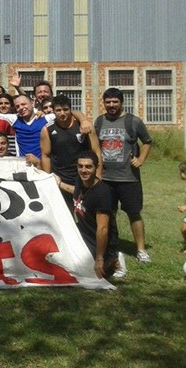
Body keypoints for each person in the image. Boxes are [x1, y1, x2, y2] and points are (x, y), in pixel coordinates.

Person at [95, 87, 153, 263]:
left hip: (129, 178)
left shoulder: (133, 121)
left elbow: (148, 141)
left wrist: (141, 159)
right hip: (105, 179)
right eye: (108, 102)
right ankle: (112, 247)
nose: (111, 105)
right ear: (103, 103)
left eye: (115, 102)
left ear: (121, 102)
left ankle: (141, 250)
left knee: (134, 213)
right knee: (108, 214)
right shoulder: (99, 121)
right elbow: (95, 145)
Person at [56, 151, 126, 279]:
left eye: (88, 166)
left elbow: (103, 228)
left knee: (87, 274)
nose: (84, 170)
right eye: (80, 166)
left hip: (100, 241)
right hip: (83, 233)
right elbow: (76, 192)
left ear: (96, 167)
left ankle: (114, 258)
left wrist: (99, 259)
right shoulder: (80, 182)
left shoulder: (103, 193)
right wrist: (60, 184)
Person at [40, 94, 101, 209]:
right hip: (60, 176)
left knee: (87, 211)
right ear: (53, 111)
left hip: (83, 174)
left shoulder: (84, 126)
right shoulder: (47, 129)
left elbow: (96, 152)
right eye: (58, 110)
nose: (62, 113)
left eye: (65, 109)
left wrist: (98, 175)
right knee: (65, 213)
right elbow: (45, 155)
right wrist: (48, 178)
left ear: (70, 110)